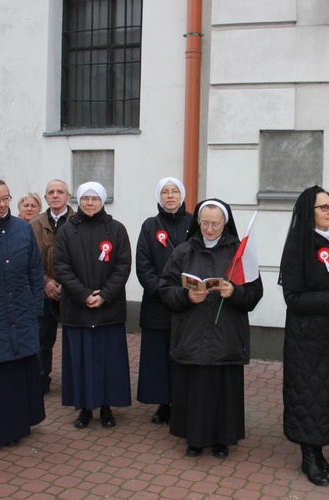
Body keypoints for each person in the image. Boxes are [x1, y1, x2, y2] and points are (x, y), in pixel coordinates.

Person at [159, 199, 263, 459]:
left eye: (215, 223)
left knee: (223, 390)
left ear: (225, 223)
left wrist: (234, 292)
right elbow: (164, 289)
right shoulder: (183, 251)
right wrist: (186, 296)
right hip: (192, 334)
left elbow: (254, 293)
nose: (209, 228)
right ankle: (194, 439)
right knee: (194, 390)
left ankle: (222, 440)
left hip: (226, 335)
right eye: (204, 222)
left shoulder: (240, 254)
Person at [278, 186, 329, 486]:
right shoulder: (298, 245)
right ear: (308, 213)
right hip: (308, 340)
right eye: (323, 207)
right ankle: (309, 455)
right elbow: (294, 297)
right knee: (310, 397)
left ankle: (322, 447)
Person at [0, 177, 46, 450]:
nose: (2, 204)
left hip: (22, 310)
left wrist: (36, 308)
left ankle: (19, 424)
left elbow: (34, 271)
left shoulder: (22, 229)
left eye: (5, 198)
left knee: (19, 370)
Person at [53, 181, 132, 428]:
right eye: (85, 198)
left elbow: (123, 266)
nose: (90, 203)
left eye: (94, 198)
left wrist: (104, 295)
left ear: (102, 201)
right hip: (78, 308)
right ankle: (84, 409)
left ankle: (107, 408)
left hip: (108, 309)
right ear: (77, 201)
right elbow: (61, 266)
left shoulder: (116, 229)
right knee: (81, 360)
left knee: (108, 361)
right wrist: (84, 294)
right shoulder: (66, 230)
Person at [136, 177, 192, 424]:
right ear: (159, 197)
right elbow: (143, 264)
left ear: (182, 195)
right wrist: (163, 291)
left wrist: (186, 293)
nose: (170, 196)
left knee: (183, 355)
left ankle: (183, 402)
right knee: (159, 357)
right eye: (166, 192)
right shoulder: (150, 225)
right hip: (157, 304)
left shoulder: (194, 223)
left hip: (189, 303)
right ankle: (163, 404)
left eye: (175, 191)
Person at [30, 179, 75, 394]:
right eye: (50, 192)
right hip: (44, 292)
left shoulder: (78, 221)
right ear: (46, 197)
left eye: (60, 192)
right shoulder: (35, 224)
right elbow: (29, 260)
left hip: (72, 293)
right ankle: (40, 380)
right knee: (42, 339)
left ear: (68, 196)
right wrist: (45, 282)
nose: (55, 195)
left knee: (74, 340)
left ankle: (74, 381)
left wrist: (67, 286)